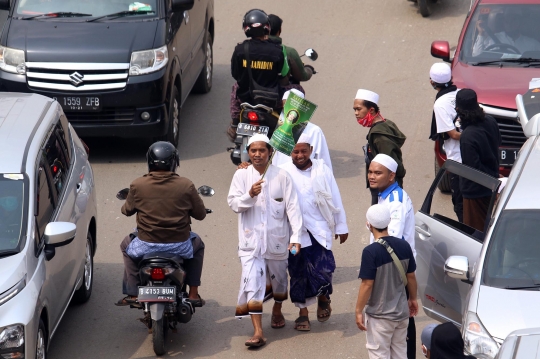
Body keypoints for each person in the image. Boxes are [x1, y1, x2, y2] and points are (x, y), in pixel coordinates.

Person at [227, 133, 302, 348]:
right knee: (252, 282)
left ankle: (277, 307)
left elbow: (293, 209)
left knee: (279, 280)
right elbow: (234, 204)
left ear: (270, 152)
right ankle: (258, 331)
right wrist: (249, 195)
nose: (257, 154)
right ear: (248, 153)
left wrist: (296, 237)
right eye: (253, 150)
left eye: (262, 150)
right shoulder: (241, 176)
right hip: (250, 244)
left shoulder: (282, 176)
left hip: (278, 241)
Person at [117, 141, 207, 308]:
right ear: (174, 162)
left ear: (149, 161)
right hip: (179, 246)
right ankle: (193, 294)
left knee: (125, 245)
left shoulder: (138, 185)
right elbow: (200, 215)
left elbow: (127, 211)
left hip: (146, 245)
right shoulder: (186, 185)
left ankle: (132, 293)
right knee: (198, 244)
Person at [279, 138, 348, 331]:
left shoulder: (322, 169)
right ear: (290, 153)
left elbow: (334, 195)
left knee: (324, 269)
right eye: (295, 152)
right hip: (295, 234)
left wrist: (341, 225)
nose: (300, 156)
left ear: (310, 150)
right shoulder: (283, 172)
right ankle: (303, 314)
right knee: (297, 272)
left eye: (303, 151)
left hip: (319, 229)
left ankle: (323, 297)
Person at [368, 154, 417, 358]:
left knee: (397, 322)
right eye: (370, 172)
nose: (372, 176)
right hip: (393, 267)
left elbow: (391, 241)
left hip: (394, 270)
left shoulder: (395, 201)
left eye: (378, 173)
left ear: (391, 176)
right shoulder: (384, 195)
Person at [356, 204, 418, 359]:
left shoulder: (370, 252)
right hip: (402, 315)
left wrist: (358, 310)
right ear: (389, 221)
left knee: (379, 354)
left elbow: (367, 284)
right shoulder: (404, 246)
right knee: (400, 353)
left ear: (368, 225)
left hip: (380, 317)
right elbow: (411, 276)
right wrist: (413, 299)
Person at [228, 9, 289, 141]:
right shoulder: (277, 50)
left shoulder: (240, 49)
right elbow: (284, 74)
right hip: (272, 101)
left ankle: (234, 123)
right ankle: (288, 136)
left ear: (246, 28)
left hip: (246, 99)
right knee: (298, 91)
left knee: (235, 88)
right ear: (267, 27)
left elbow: (235, 74)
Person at [457, 89, 501, 232]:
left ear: (459, 110)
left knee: (477, 234)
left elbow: (473, 169)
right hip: (491, 187)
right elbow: (497, 144)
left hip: (475, 193)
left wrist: (493, 178)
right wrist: (495, 177)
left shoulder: (468, 137)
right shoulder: (490, 121)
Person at [354, 89, 406, 205]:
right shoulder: (385, 124)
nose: (356, 113)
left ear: (371, 110)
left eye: (359, 109)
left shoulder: (379, 136)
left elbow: (391, 164)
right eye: (355, 110)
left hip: (384, 188)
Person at [428, 62, 463, 222]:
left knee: (460, 205)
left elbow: (453, 135)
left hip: (458, 162)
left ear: (432, 82)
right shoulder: (462, 94)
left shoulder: (440, 104)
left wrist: (469, 137)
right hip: (475, 157)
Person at [272, 89, 333, 170]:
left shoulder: (314, 131)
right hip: (283, 177)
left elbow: (323, 159)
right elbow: (275, 158)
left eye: (291, 106)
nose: (287, 109)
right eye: (285, 106)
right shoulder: (280, 129)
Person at [267, 14, 315, 87]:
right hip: (279, 93)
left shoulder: (248, 49)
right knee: (298, 89)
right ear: (280, 30)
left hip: (252, 92)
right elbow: (302, 76)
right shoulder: (288, 52)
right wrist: (309, 69)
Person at [472, 8, 540, 57]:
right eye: (506, 20)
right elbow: (476, 55)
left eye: (513, 20)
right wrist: (481, 34)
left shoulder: (532, 44)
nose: (509, 24)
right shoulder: (492, 39)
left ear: (520, 22)